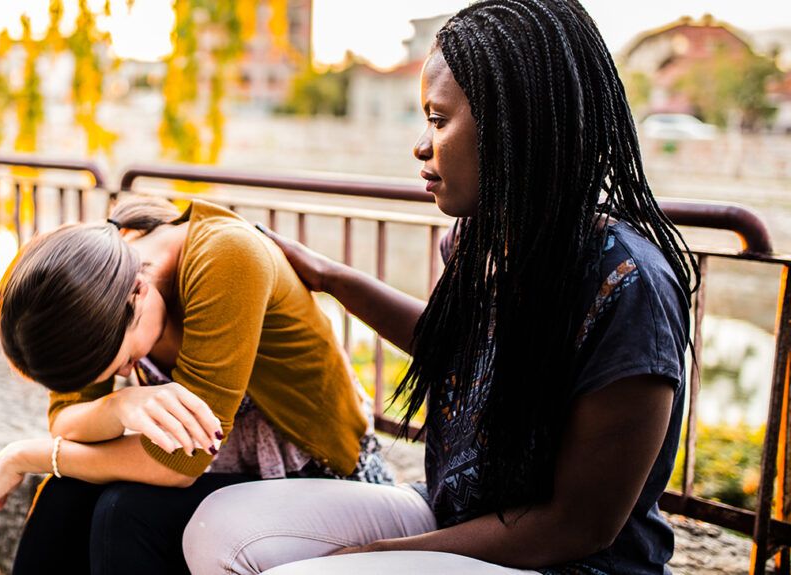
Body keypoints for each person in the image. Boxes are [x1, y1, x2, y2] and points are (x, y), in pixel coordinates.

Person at [182, 1, 697, 574]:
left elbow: (578, 525)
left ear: (515, 124)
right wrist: (327, 277)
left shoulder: (628, 285)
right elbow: (454, 343)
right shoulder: (479, 242)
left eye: (438, 118)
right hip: (454, 515)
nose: (421, 147)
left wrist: (378, 556)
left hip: (572, 563)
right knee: (218, 525)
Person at [0, 196, 393, 574]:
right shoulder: (94, 280)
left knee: (125, 512)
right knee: (66, 492)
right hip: (224, 474)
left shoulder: (225, 257)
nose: (122, 373)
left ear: (138, 290)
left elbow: (177, 465)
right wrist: (119, 405)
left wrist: (25, 455)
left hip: (320, 478)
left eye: (124, 363)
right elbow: (64, 420)